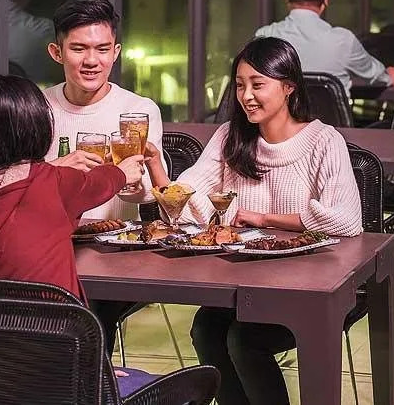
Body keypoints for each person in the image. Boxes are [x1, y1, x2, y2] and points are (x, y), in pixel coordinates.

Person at [150, 37, 362, 405]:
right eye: (239, 85)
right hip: (243, 283)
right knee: (205, 330)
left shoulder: (324, 141)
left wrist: (263, 218)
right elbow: (190, 198)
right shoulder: (230, 136)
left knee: (244, 340)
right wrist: (158, 170)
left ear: (288, 86)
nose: (246, 96)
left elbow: (345, 220)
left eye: (257, 84)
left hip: (310, 288)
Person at [0, 75, 145, 300]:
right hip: (55, 322)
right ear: (36, 129)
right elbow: (97, 184)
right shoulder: (51, 183)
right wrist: (122, 172)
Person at [43, 0, 167, 355]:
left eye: (102, 49)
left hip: (114, 255)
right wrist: (56, 171)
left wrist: (127, 179)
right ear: (56, 52)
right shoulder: (38, 108)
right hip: (50, 248)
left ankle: (91, 381)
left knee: (87, 313)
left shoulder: (137, 111)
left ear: (116, 52)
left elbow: (147, 194)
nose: (91, 61)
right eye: (78, 49)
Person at [256, 0, 394, 92]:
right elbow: (377, 75)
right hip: (331, 115)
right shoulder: (344, 41)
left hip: (284, 114)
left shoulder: (265, 37)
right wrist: (389, 76)